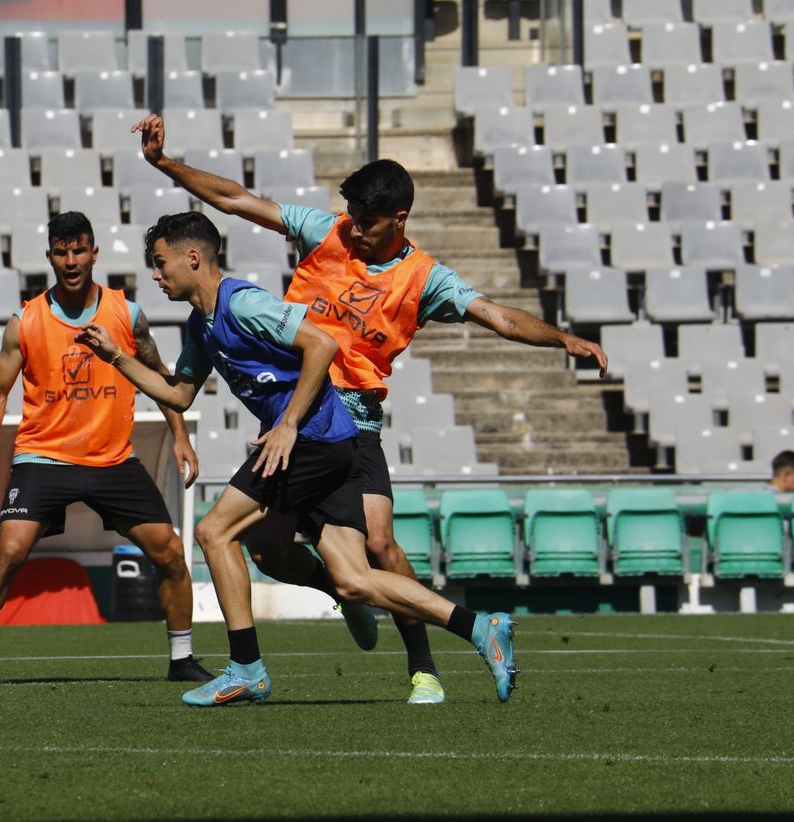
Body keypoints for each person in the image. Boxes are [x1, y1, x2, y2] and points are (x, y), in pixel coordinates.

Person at [130, 114, 603, 703]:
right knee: (270, 550)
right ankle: (347, 592)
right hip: (295, 413)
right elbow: (235, 200)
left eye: (368, 220)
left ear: (399, 218)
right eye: (351, 215)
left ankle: (422, 667)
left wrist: (562, 339)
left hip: (349, 422)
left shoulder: (424, 277)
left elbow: (499, 317)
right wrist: (166, 164)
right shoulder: (326, 232)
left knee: (375, 545)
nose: (354, 228)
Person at [75, 212, 517, 707]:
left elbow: (321, 344)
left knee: (214, 531)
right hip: (333, 442)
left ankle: (246, 668)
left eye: (160, 264)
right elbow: (177, 395)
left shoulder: (243, 304)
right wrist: (116, 356)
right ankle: (480, 626)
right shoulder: (201, 326)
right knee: (353, 580)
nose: (155, 275)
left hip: (311, 439)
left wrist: (286, 425)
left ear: (192, 257)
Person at [0, 212, 211, 683]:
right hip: (43, 456)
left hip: (112, 460)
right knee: (11, 550)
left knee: (171, 553)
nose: (71, 260)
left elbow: (162, 379)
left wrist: (181, 437)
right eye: (61, 251)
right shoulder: (26, 321)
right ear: (50, 256)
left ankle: (182, 660)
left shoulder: (126, 313)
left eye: (79, 250)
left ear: (94, 253)